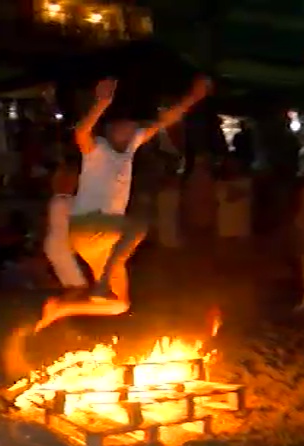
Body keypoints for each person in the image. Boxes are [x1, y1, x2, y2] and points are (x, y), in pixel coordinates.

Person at [34, 75, 211, 331]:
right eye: (123, 127)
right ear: (108, 131)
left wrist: (192, 99)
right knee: (138, 226)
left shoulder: (130, 148)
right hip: (90, 223)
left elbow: (162, 121)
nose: (130, 131)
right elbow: (82, 133)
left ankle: (61, 309)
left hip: (104, 240)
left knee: (120, 305)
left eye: (132, 128)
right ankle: (102, 281)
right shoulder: (98, 150)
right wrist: (101, 103)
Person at [43, 152, 86, 296]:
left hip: (59, 247)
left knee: (73, 284)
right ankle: (60, 311)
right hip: (60, 248)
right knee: (77, 285)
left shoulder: (59, 200)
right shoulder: (65, 202)